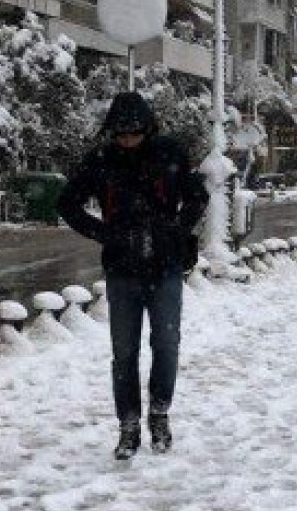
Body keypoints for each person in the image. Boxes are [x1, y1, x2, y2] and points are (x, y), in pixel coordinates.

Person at [58, 92, 208, 460]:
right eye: (120, 134)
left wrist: (177, 228)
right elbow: (67, 203)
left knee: (166, 344)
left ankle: (159, 413)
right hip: (122, 269)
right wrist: (105, 233)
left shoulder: (169, 153)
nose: (126, 140)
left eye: (134, 133)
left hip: (165, 266)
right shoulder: (102, 161)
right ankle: (127, 423)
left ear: (147, 128)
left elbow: (197, 197)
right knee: (123, 351)